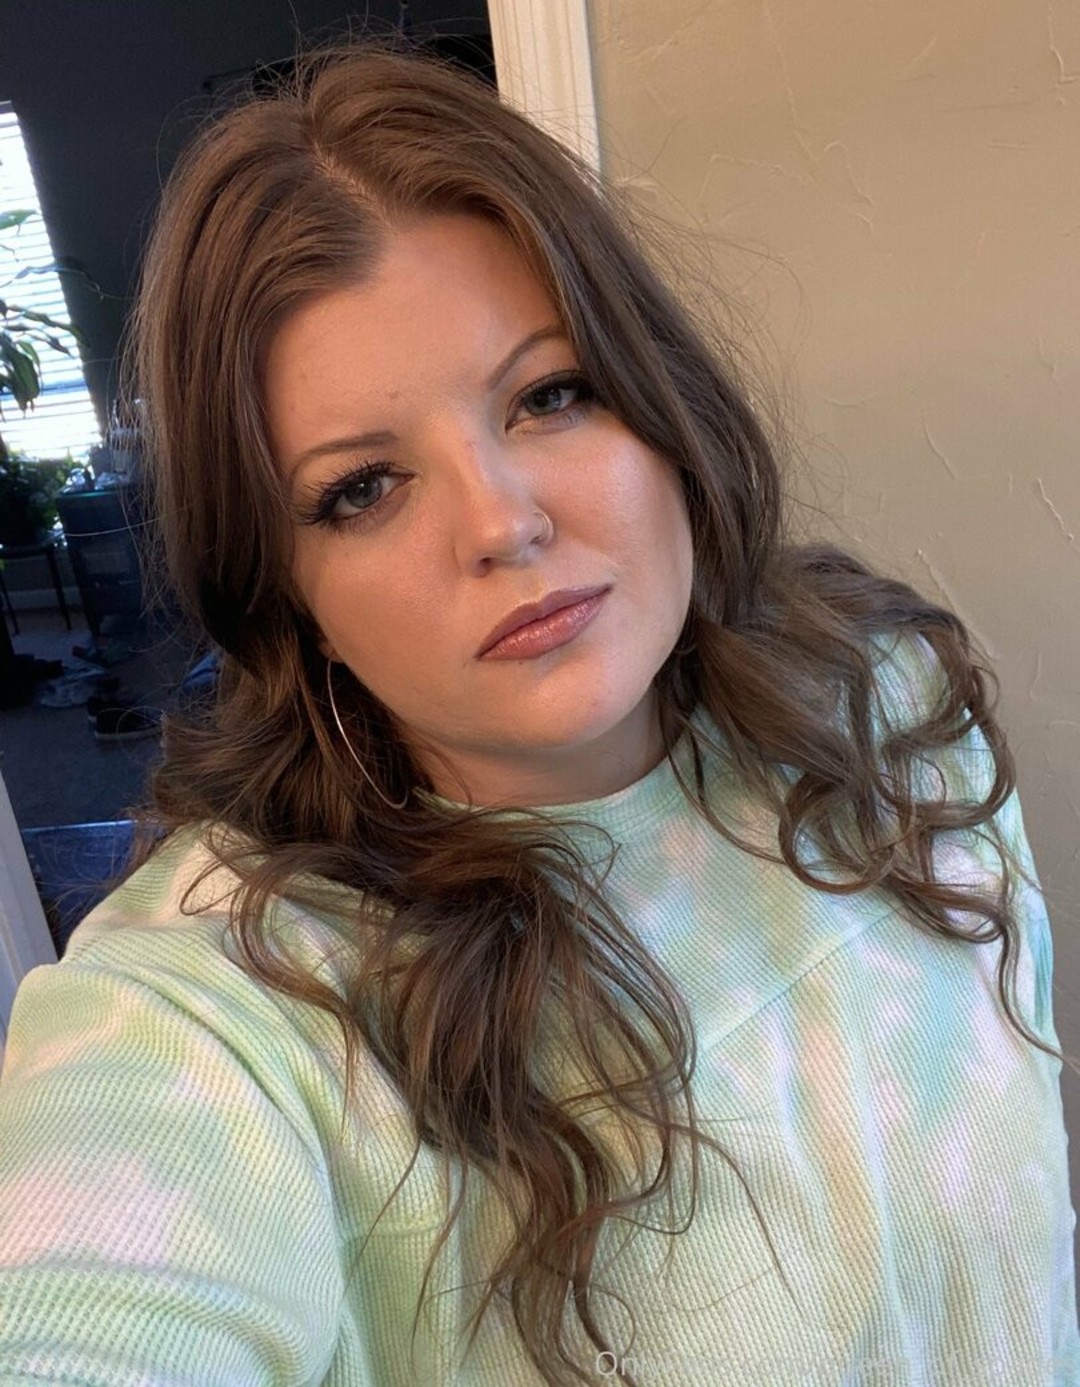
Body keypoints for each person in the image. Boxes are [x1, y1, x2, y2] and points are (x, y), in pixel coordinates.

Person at [0, 44, 1076, 1387]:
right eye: (362, 489)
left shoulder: (884, 700)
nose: (502, 523)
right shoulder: (226, 1012)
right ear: (286, 595)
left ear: (657, 398)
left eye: (550, 395)